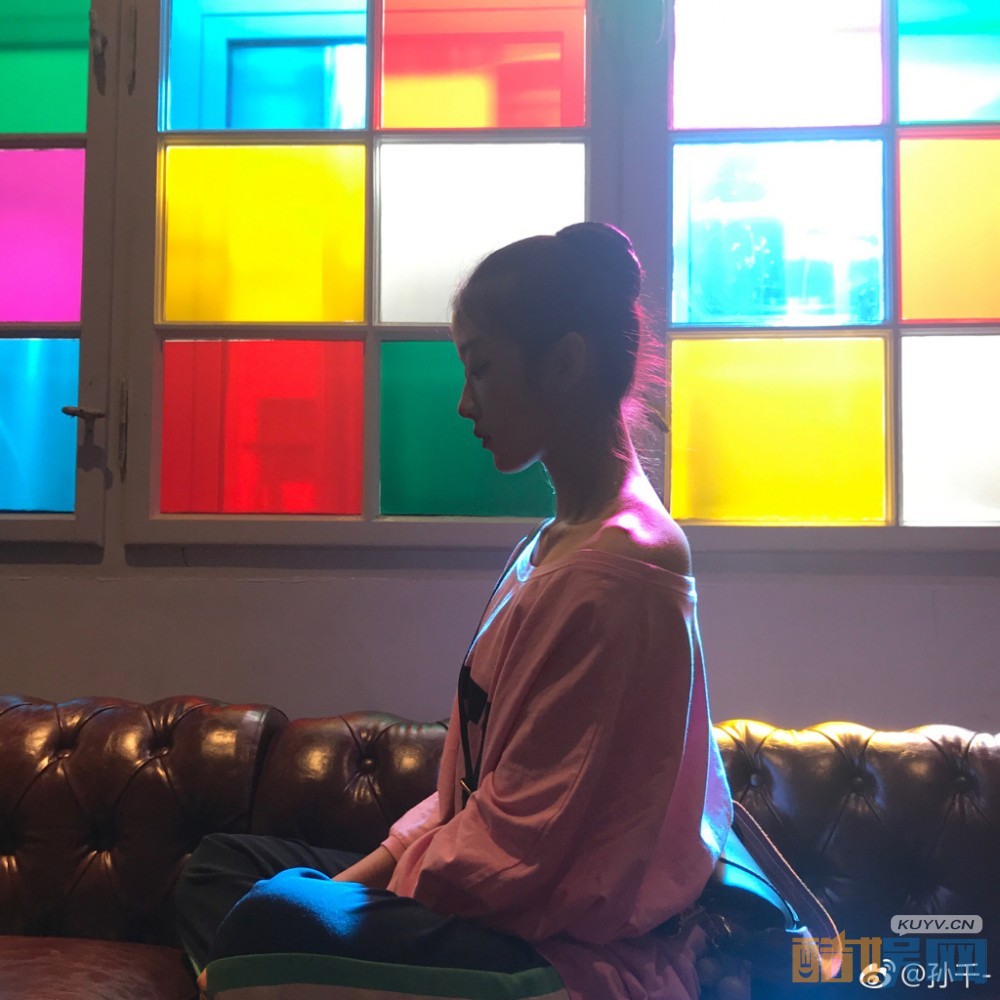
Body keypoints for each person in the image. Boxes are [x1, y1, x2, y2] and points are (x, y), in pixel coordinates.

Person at [174, 222, 734, 1000]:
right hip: (483, 904)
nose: (465, 403)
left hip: (549, 946)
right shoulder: (552, 543)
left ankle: (267, 971)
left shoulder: (622, 570)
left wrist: (340, 906)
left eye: (483, 369)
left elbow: (519, 846)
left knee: (272, 917)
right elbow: (468, 793)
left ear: (565, 364)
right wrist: (359, 884)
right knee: (220, 870)